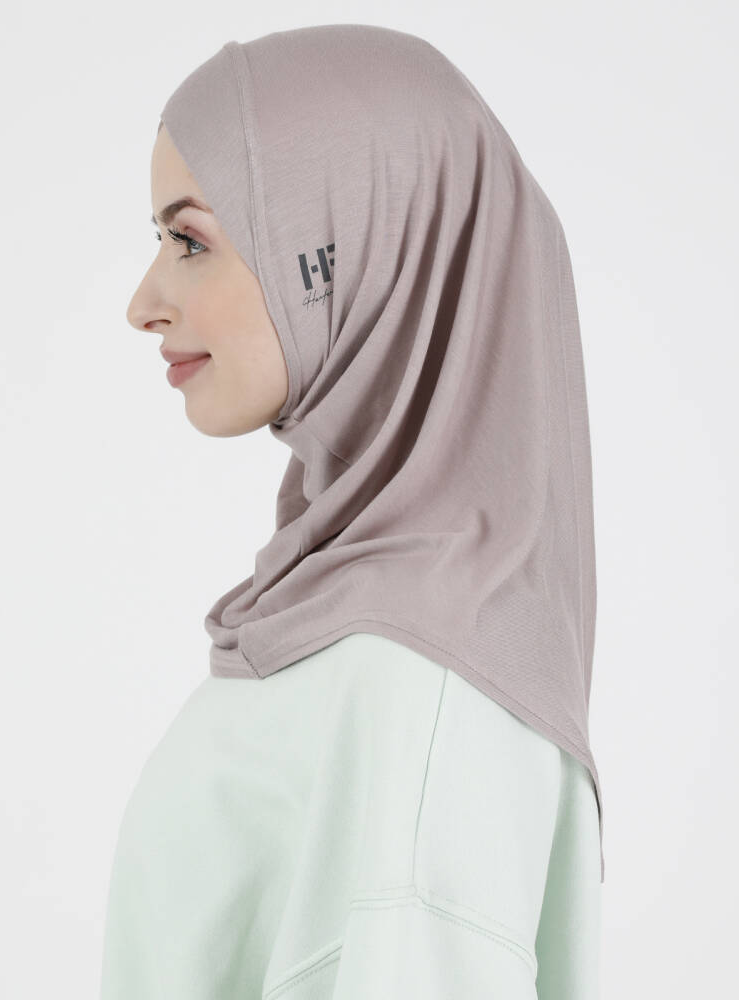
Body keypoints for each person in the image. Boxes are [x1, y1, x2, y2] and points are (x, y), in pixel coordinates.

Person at [101, 25, 603, 999]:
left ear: (351, 251)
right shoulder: (382, 642)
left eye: (190, 240)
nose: (145, 302)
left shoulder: (416, 693)